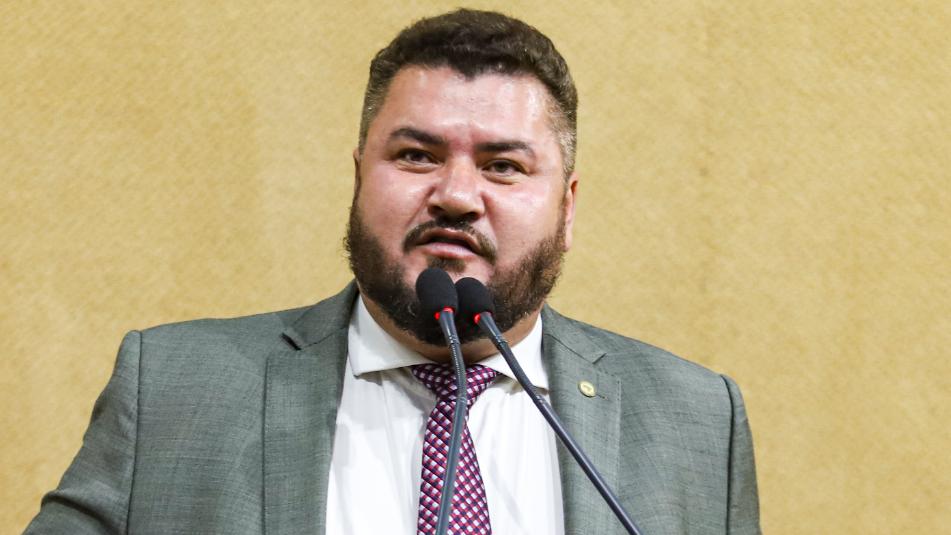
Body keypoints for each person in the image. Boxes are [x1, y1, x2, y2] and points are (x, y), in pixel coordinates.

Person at [24, 9, 760, 535]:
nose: (456, 195)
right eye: (415, 155)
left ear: (566, 207)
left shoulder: (696, 421)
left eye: (503, 165)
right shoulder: (173, 390)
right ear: (358, 178)